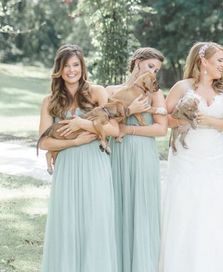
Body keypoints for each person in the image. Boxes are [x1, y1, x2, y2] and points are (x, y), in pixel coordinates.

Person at [160, 42, 223, 272]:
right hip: (186, 155)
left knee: (219, 205)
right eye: (219, 60)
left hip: (216, 155)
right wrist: (183, 119)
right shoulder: (182, 87)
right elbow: (165, 118)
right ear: (203, 61)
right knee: (187, 207)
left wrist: (207, 120)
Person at [38, 44, 118, 271]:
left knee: (95, 222)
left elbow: (113, 129)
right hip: (67, 167)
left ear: (83, 68)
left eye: (76, 65)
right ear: (59, 70)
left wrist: (82, 124)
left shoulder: (97, 92)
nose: (71, 70)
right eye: (66, 66)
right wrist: (74, 142)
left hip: (95, 165)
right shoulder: (50, 101)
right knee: (67, 225)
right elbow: (44, 141)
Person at [105, 47, 167, 272]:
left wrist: (128, 129)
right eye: (150, 66)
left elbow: (161, 130)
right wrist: (128, 112)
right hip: (116, 154)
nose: (153, 72)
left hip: (142, 154)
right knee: (115, 206)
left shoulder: (155, 93)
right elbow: (104, 120)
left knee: (141, 207)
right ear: (137, 62)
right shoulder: (111, 90)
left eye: (157, 69)